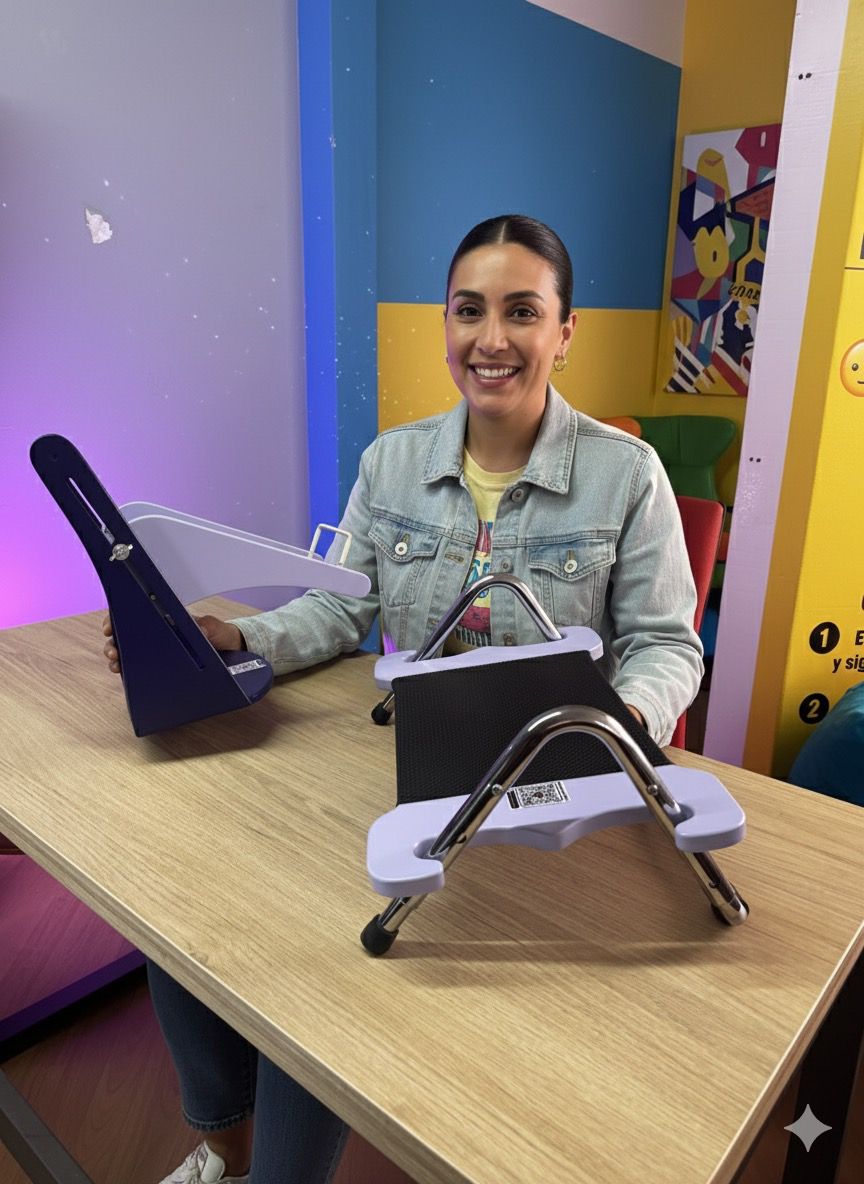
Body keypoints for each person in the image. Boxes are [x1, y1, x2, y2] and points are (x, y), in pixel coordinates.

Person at [103, 214, 702, 1183]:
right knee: (185, 904)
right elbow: (343, 607)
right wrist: (241, 636)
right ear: (446, 323)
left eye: (522, 311)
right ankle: (222, 1144)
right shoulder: (390, 463)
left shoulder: (626, 475)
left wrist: (621, 720)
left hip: (552, 793)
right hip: (409, 774)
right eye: (470, 310)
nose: (492, 338)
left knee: (319, 973)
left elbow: (666, 645)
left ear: (565, 331)